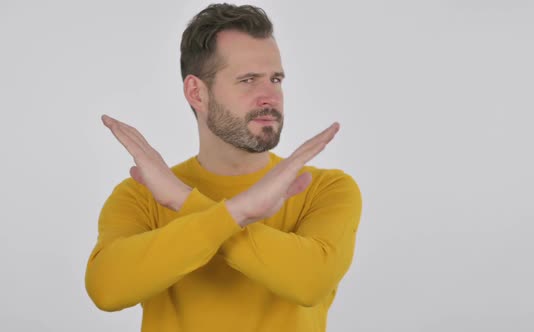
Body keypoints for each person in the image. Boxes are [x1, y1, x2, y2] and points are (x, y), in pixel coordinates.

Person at [85, 3, 362, 332]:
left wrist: (184, 201)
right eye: (248, 80)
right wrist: (237, 212)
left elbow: (309, 283)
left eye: (276, 79)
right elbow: (107, 289)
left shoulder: (322, 189)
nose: (269, 96)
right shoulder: (141, 193)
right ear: (196, 93)